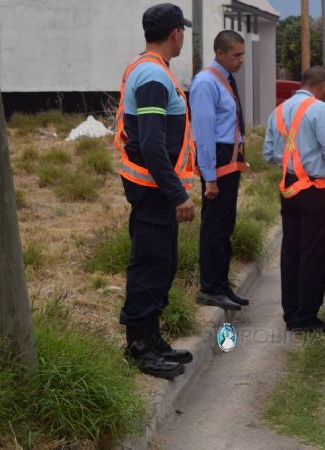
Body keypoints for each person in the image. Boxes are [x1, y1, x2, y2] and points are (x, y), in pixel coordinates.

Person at [114, 3, 196, 379]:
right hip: (153, 190)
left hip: (152, 188)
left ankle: (152, 337)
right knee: (150, 265)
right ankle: (140, 347)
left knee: (160, 263)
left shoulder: (149, 69)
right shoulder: (152, 76)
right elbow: (151, 145)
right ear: (175, 33)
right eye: (183, 30)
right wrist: (178, 193)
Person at [263, 66, 325, 332]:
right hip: (315, 190)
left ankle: (292, 313)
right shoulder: (320, 110)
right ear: (321, 86)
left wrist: (293, 162)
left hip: (289, 188)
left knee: (292, 252)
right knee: (315, 254)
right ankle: (306, 317)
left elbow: (269, 153)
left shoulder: (278, 111)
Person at [190, 30, 250, 311]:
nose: (241, 60)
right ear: (220, 53)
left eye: (242, 54)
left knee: (225, 225)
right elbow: (203, 132)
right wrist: (209, 177)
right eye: (236, 55)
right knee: (214, 227)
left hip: (229, 159)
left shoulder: (226, 79)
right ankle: (210, 288)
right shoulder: (205, 83)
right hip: (217, 159)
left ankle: (222, 284)